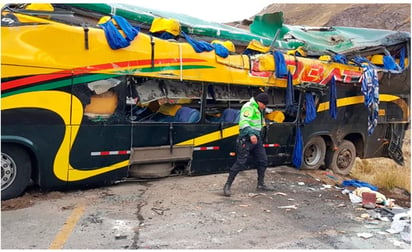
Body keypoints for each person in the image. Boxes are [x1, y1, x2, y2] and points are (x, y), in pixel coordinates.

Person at [223, 92, 275, 197]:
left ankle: (261, 184)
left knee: (263, 160)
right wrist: (251, 134)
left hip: (257, 139)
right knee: (240, 162)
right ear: (259, 102)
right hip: (246, 139)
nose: (264, 107)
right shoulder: (248, 107)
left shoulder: (259, 109)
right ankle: (227, 185)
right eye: (264, 104)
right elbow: (243, 123)